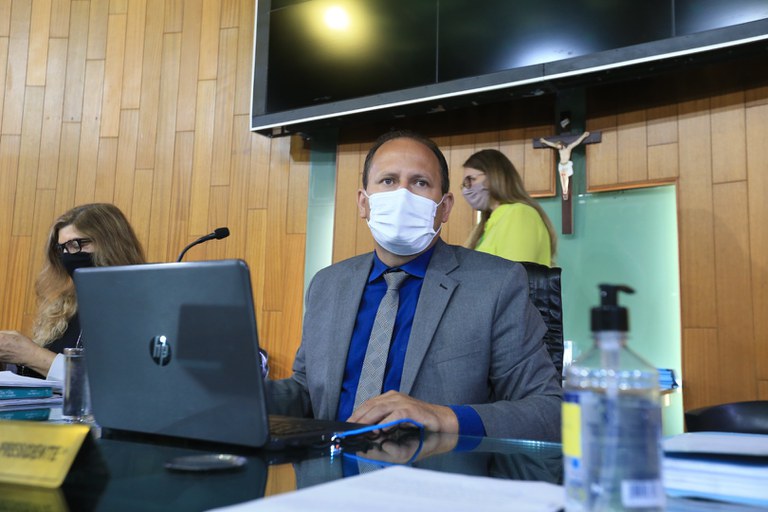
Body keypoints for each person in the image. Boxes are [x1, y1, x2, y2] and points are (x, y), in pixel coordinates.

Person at [267, 130, 562, 441]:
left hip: (433, 468)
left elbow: (549, 410)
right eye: (388, 181)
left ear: (445, 207)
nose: (402, 195)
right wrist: (242, 393)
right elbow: (307, 391)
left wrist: (443, 417)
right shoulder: (327, 285)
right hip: (331, 466)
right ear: (363, 203)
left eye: (420, 183)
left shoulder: (496, 285)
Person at [0, 203, 145, 380]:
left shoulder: (142, 307)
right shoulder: (65, 308)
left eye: (75, 244)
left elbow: (117, 380)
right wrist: (9, 358)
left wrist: (31, 354)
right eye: (62, 248)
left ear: (111, 243)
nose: (68, 255)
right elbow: (44, 376)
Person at [461, 149, 557, 267]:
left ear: (494, 175)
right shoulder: (488, 224)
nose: (466, 189)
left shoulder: (519, 214)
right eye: (464, 184)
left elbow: (513, 275)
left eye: (471, 179)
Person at [539, 131, 590, 200]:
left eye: (558, 146)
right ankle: (564, 191)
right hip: (561, 165)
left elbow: (577, 142)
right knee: (562, 179)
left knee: (565, 178)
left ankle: (565, 191)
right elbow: (551, 144)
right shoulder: (559, 149)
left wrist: (583, 135)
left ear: (562, 144)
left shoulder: (569, 147)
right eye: (557, 146)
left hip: (566, 165)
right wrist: (544, 141)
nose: (558, 147)